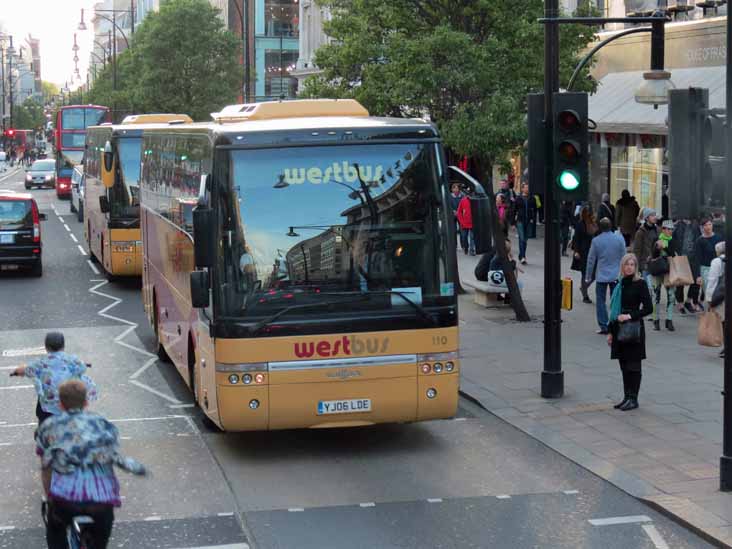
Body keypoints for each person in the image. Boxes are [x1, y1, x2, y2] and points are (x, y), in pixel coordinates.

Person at [37, 380, 147, 549]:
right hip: (100, 502)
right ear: (86, 402)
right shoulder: (102, 423)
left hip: (65, 500)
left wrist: (49, 496)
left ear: (60, 404)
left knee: (55, 531)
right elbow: (114, 455)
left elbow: (46, 467)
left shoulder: (49, 426)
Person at [11, 332, 97, 427]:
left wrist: (16, 372)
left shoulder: (40, 363)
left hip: (48, 407)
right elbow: (82, 367)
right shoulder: (72, 360)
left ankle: (43, 434)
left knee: (43, 421)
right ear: (63, 346)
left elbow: (25, 370)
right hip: (70, 401)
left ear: (46, 347)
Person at [607, 253, 653, 411]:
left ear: (636, 267)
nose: (629, 267)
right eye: (627, 264)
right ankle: (626, 396)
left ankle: (634, 398)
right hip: (619, 329)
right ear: (622, 266)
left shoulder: (640, 283)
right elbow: (614, 310)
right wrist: (610, 332)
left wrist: (630, 315)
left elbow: (649, 309)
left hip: (633, 329)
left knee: (634, 365)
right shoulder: (619, 284)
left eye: (632, 264)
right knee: (624, 365)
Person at [585, 217, 626, 334]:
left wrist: (588, 276)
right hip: (616, 275)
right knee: (616, 300)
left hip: (602, 275)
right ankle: (615, 323)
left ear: (600, 227)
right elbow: (624, 256)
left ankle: (604, 325)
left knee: (600, 301)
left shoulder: (596, 241)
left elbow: (591, 260)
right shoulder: (619, 239)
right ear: (611, 226)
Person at [649, 219, 679, 331]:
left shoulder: (673, 240)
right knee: (656, 295)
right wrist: (657, 248)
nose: (670, 231)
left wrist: (664, 247)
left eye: (672, 229)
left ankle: (669, 320)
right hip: (657, 270)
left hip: (669, 271)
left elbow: (674, 253)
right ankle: (656, 320)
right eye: (668, 229)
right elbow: (652, 255)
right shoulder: (656, 239)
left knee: (671, 296)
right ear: (663, 229)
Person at [673, 218, 703, 314]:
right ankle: (680, 303)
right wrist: (675, 253)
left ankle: (688, 301)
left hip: (694, 257)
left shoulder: (695, 224)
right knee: (680, 282)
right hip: (681, 256)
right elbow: (672, 240)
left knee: (695, 281)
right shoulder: (678, 225)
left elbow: (699, 239)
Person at [570, 205, 598, 304]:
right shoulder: (581, 224)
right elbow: (576, 238)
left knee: (594, 274)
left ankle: (583, 287)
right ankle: (585, 295)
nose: (594, 214)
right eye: (592, 212)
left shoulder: (593, 224)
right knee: (584, 274)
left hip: (593, 251)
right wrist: (576, 251)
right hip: (583, 252)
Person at [632, 208, 659, 294]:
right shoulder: (641, 232)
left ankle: (653, 303)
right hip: (645, 264)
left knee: (655, 288)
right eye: (652, 215)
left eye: (655, 215)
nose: (655, 217)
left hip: (656, 262)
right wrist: (637, 267)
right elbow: (637, 250)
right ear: (647, 218)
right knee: (647, 288)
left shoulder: (657, 229)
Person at [694, 218, 722, 299]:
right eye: (706, 225)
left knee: (718, 293)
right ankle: (710, 310)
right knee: (709, 294)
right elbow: (697, 258)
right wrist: (698, 276)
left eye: (710, 224)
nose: (708, 227)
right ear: (702, 227)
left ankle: (714, 310)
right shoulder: (699, 241)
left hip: (718, 268)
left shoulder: (718, 238)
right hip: (705, 269)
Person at [706, 242, 726, 359]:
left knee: (724, 323)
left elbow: (712, 281)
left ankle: (727, 347)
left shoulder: (716, 262)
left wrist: (709, 298)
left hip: (721, 297)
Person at [514, 183, 536, 265]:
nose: (527, 189)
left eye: (528, 187)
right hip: (520, 220)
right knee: (522, 238)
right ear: (522, 189)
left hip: (528, 221)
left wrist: (533, 219)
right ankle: (523, 257)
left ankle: (521, 255)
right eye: (526, 188)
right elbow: (514, 210)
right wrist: (513, 222)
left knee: (525, 239)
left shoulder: (532, 198)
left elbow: (534, 209)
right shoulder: (518, 198)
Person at [456, 189, 475, 256]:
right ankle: (466, 248)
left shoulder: (474, 201)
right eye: (468, 194)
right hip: (464, 223)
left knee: (472, 238)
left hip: (473, 223)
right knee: (464, 237)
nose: (470, 195)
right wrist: (462, 221)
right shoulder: (463, 200)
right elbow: (459, 212)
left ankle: (472, 250)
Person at [448, 183, 467, 253]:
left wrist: (459, 212)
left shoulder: (462, 196)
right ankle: (454, 245)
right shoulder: (449, 196)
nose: (455, 190)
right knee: (453, 231)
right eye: (454, 188)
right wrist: (453, 211)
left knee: (462, 231)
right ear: (452, 189)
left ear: (459, 189)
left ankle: (463, 245)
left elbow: (464, 205)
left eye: (456, 188)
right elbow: (448, 205)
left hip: (461, 215)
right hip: (452, 215)